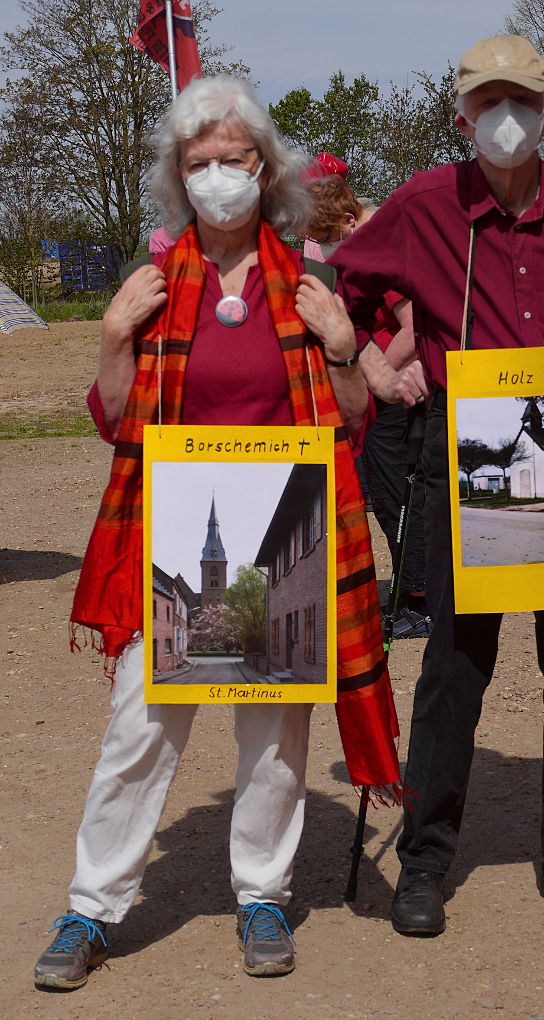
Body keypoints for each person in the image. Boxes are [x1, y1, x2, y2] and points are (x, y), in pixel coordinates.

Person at [34, 75, 401, 991]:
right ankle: (91, 906)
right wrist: (115, 339)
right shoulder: (152, 286)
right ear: (178, 176)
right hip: (177, 532)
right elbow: (116, 420)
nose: (218, 177)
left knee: (274, 729)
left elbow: (354, 421)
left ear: (264, 170)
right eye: (199, 164)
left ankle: (263, 893)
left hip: (282, 530)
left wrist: (346, 347)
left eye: (233, 160)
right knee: (141, 725)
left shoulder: (309, 283)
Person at [330, 35, 544, 936]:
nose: (503, 118)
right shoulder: (421, 205)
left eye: (519, 101)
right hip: (458, 457)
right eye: (487, 104)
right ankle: (426, 861)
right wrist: (375, 363)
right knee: (452, 666)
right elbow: (343, 296)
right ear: (463, 117)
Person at [304, 176, 429, 630]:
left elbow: (414, 327)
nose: (321, 247)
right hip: (383, 392)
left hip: (394, 395)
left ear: (350, 221)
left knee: (400, 496)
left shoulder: (385, 262)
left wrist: (376, 377)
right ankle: (410, 583)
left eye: (324, 238)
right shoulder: (364, 259)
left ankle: (420, 599)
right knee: (388, 493)